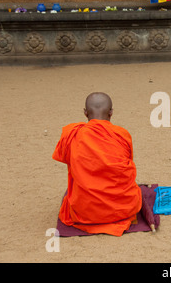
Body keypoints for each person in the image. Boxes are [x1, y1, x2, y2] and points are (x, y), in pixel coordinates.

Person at [53, 92, 142, 236]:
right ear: (111, 112)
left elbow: (68, 160)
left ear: (85, 113)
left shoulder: (73, 134)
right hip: (122, 209)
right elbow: (127, 166)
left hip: (85, 212)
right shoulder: (121, 134)